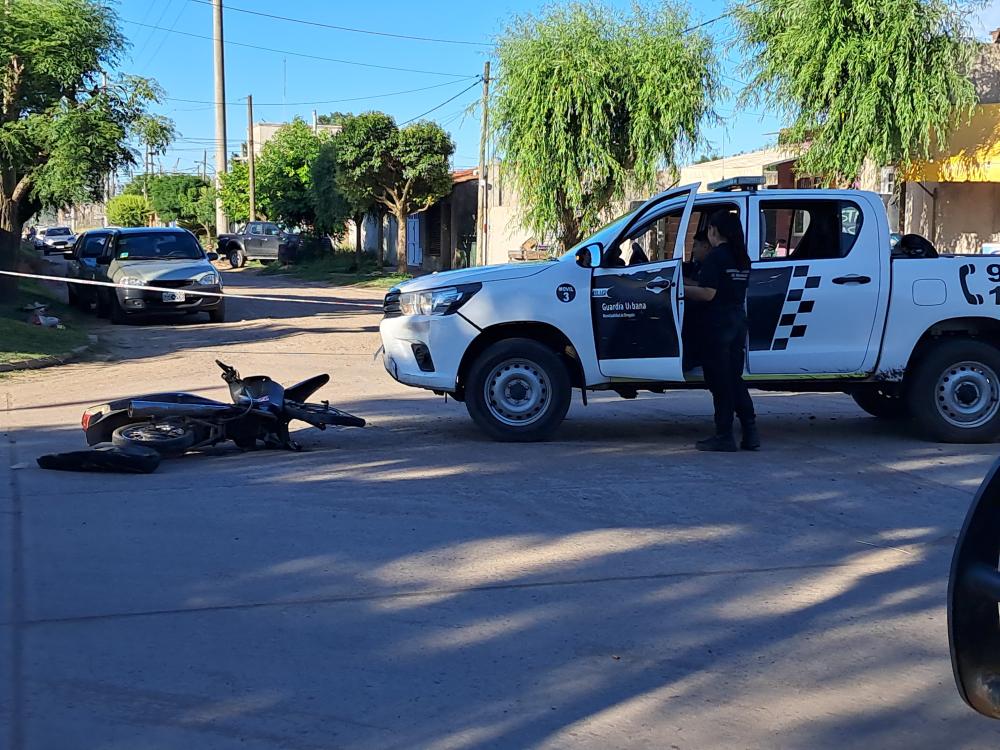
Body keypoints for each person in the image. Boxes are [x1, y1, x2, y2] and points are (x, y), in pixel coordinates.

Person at [684, 211, 759, 452]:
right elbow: (722, 286)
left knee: (719, 382)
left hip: (717, 325)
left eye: (709, 230)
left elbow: (708, 293)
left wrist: (678, 289)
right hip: (737, 322)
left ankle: (724, 435)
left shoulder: (716, 257)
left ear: (715, 230)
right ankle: (750, 432)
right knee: (734, 379)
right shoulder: (741, 258)